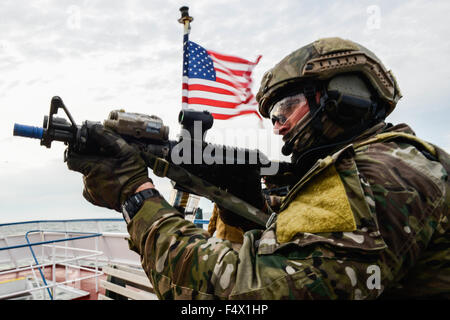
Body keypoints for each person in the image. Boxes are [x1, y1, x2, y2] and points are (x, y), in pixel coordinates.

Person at [67, 37, 450, 299]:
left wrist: (135, 195)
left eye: (286, 108)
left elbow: (241, 293)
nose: (279, 123)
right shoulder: (399, 159)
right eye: (273, 116)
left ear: (343, 98)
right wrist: (250, 208)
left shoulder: (378, 175)